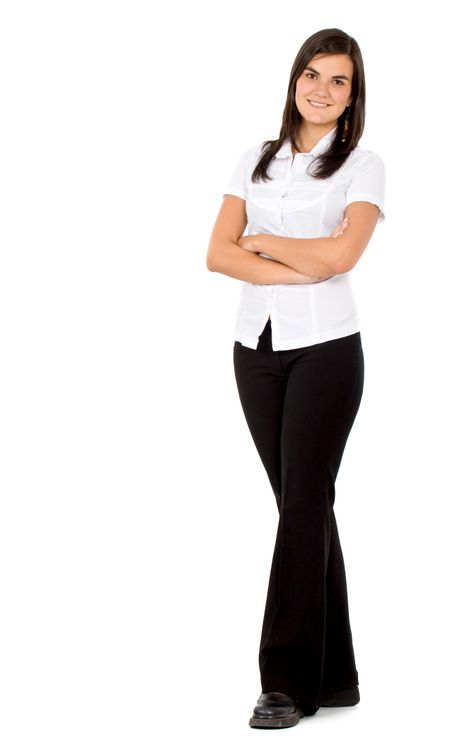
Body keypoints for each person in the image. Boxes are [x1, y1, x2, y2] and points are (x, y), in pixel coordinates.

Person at [206, 27, 385, 729]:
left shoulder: (363, 166)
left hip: (327, 350)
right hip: (256, 349)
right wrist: (303, 257)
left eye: (339, 81)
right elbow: (217, 255)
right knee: (304, 507)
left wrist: (267, 241)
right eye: (313, 74)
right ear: (294, 79)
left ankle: (283, 683)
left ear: (352, 96)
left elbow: (345, 256)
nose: (322, 89)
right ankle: (335, 676)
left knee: (303, 505)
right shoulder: (255, 159)